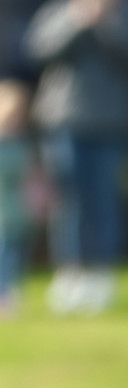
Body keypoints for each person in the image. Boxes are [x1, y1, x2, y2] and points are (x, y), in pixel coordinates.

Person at [22, 0, 128, 313]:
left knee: (104, 199)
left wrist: (107, 24)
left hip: (113, 124)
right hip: (64, 121)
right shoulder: (61, 11)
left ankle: (101, 275)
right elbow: (38, 50)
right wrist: (78, 21)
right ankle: (70, 272)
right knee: (69, 200)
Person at [0, 79, 37, 317]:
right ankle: (5, 294)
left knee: (18, 254)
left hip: (21, 211)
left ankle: (12, 292)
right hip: (5, 211)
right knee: (6, 254)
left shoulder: (25, 144)